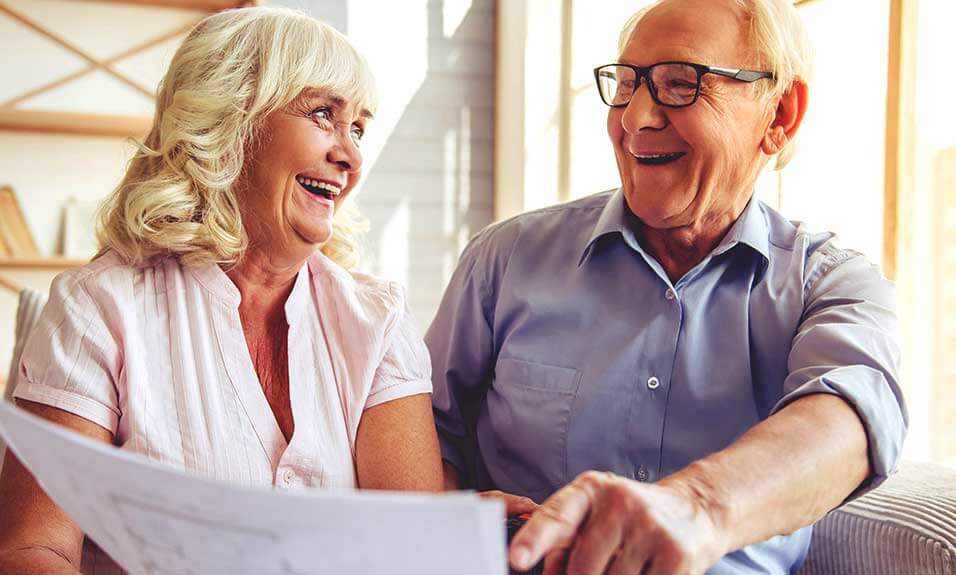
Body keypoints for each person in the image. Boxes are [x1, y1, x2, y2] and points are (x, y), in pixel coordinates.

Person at [427, 0, 907, 573]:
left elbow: (848, 421)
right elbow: (424, 438)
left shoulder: (831, 284)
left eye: (681, 84)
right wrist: (442, 517)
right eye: (627, 85)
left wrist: (694, 508)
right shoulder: (503, 260)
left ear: (779, 114)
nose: (636, 118)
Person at [0, 7, 443, 574]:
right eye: (322, 114)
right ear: (233, 120)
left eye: (358, 127)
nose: (351, 157)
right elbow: (32, 550)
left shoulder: (377, 322)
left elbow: (414, 554)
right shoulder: (98, 308)